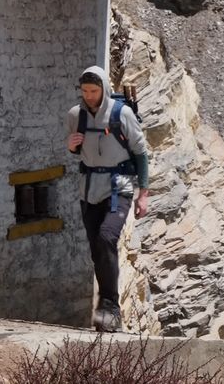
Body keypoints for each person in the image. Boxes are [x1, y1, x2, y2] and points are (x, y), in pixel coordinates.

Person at [65, 65, 149, 332]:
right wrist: (71, 146)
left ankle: (110, 306)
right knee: (97, 249)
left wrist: (143, 193)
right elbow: (79, 153)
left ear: (104, 88)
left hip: (119, 187)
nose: (89, 96)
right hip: (88, 190)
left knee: (106, 237)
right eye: (85, 91)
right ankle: (107, 311)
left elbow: (141, 153)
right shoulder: (75, 116)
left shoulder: (121, 114)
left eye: (94, 90)